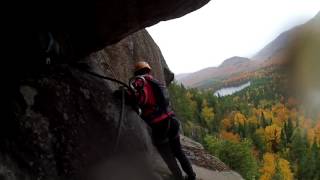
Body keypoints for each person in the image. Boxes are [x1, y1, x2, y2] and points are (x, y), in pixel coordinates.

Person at [128, 61, 196, 180]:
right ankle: (191, 176)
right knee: (178, 151)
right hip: (172, 120)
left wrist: (126, 95)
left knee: (166, 153)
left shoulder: (140, 81)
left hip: (159, 124)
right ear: (148, 70)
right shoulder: (156, 82)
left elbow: (140, 99)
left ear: (137, 72)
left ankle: (178, 177)